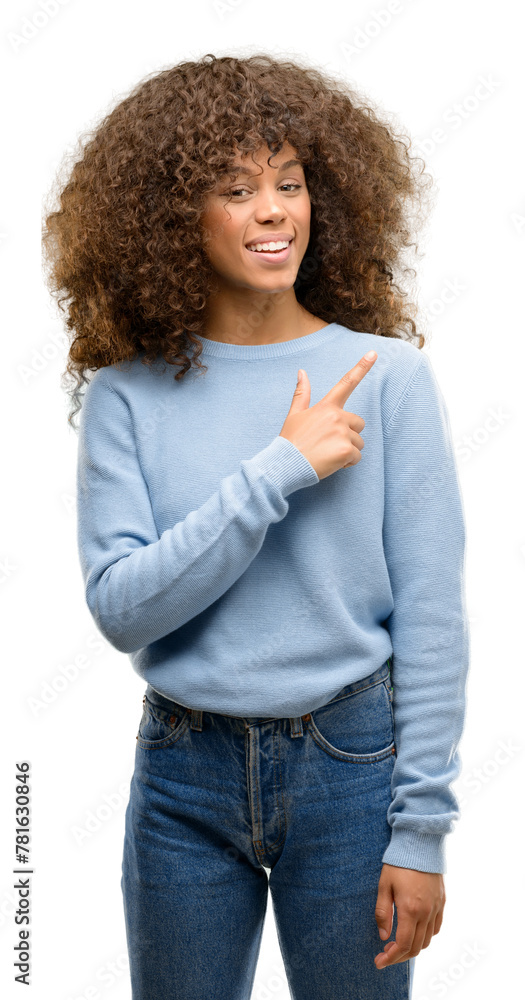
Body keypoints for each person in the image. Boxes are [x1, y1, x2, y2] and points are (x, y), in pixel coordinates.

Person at [42, 52, 470, 1000]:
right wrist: (280, 469)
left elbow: (432, 621)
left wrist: (421, 831)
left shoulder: (385, 377)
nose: (274, 209)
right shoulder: (127, 396)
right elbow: (122, 609)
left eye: (290, 182)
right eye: (237, 189)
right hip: (181, 774)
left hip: (352, 768)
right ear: (172, 219)